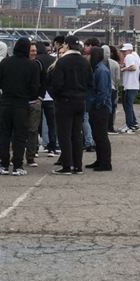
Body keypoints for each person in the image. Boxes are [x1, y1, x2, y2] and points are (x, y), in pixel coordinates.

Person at [47, 34, 93, 175]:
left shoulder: (62, 62)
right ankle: (77, 165)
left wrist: (56, 97)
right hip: (80, 101)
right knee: (77, 134)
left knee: (64, 134)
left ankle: (67, 165)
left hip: (65, 101)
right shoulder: (85, 62)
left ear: (66, 45)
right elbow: (90, 83)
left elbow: (57, 84)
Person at [0, 38, 40, 176]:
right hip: (22, 104)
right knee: (20, 136)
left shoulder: (5, 62)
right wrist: (29, 96)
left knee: (5, 135)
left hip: (6, 103)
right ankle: (17, 165)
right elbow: (35, 87)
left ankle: (3, 164)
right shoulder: (32, 65)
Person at [86, 46, 115, 171]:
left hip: (100, 108)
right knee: (97, 136)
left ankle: (106, 163)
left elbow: (103, 92)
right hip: (96, 107)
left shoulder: (101, 70)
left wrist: (97, 105)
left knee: (101, 136)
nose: (87, 57)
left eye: (89, 55)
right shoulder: (96, 69)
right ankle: (99, 160)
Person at [35, 40, 56, 158]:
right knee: (51, 123)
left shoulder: (35, 60)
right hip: (51, 96)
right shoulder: (53, 59)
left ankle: (35, 147)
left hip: (38, 96)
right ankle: (52, 147)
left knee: (36, 123)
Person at [119, 42, 140, 133]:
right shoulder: (136, 56)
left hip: (129, 85)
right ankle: (133, 123)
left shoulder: (129, 56)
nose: (123, 53)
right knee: (129, 105)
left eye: (124, 51)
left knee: (127, 106)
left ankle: (130, 126)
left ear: (129, 50)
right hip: (134, 85)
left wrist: (123, 69)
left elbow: (133, 67)